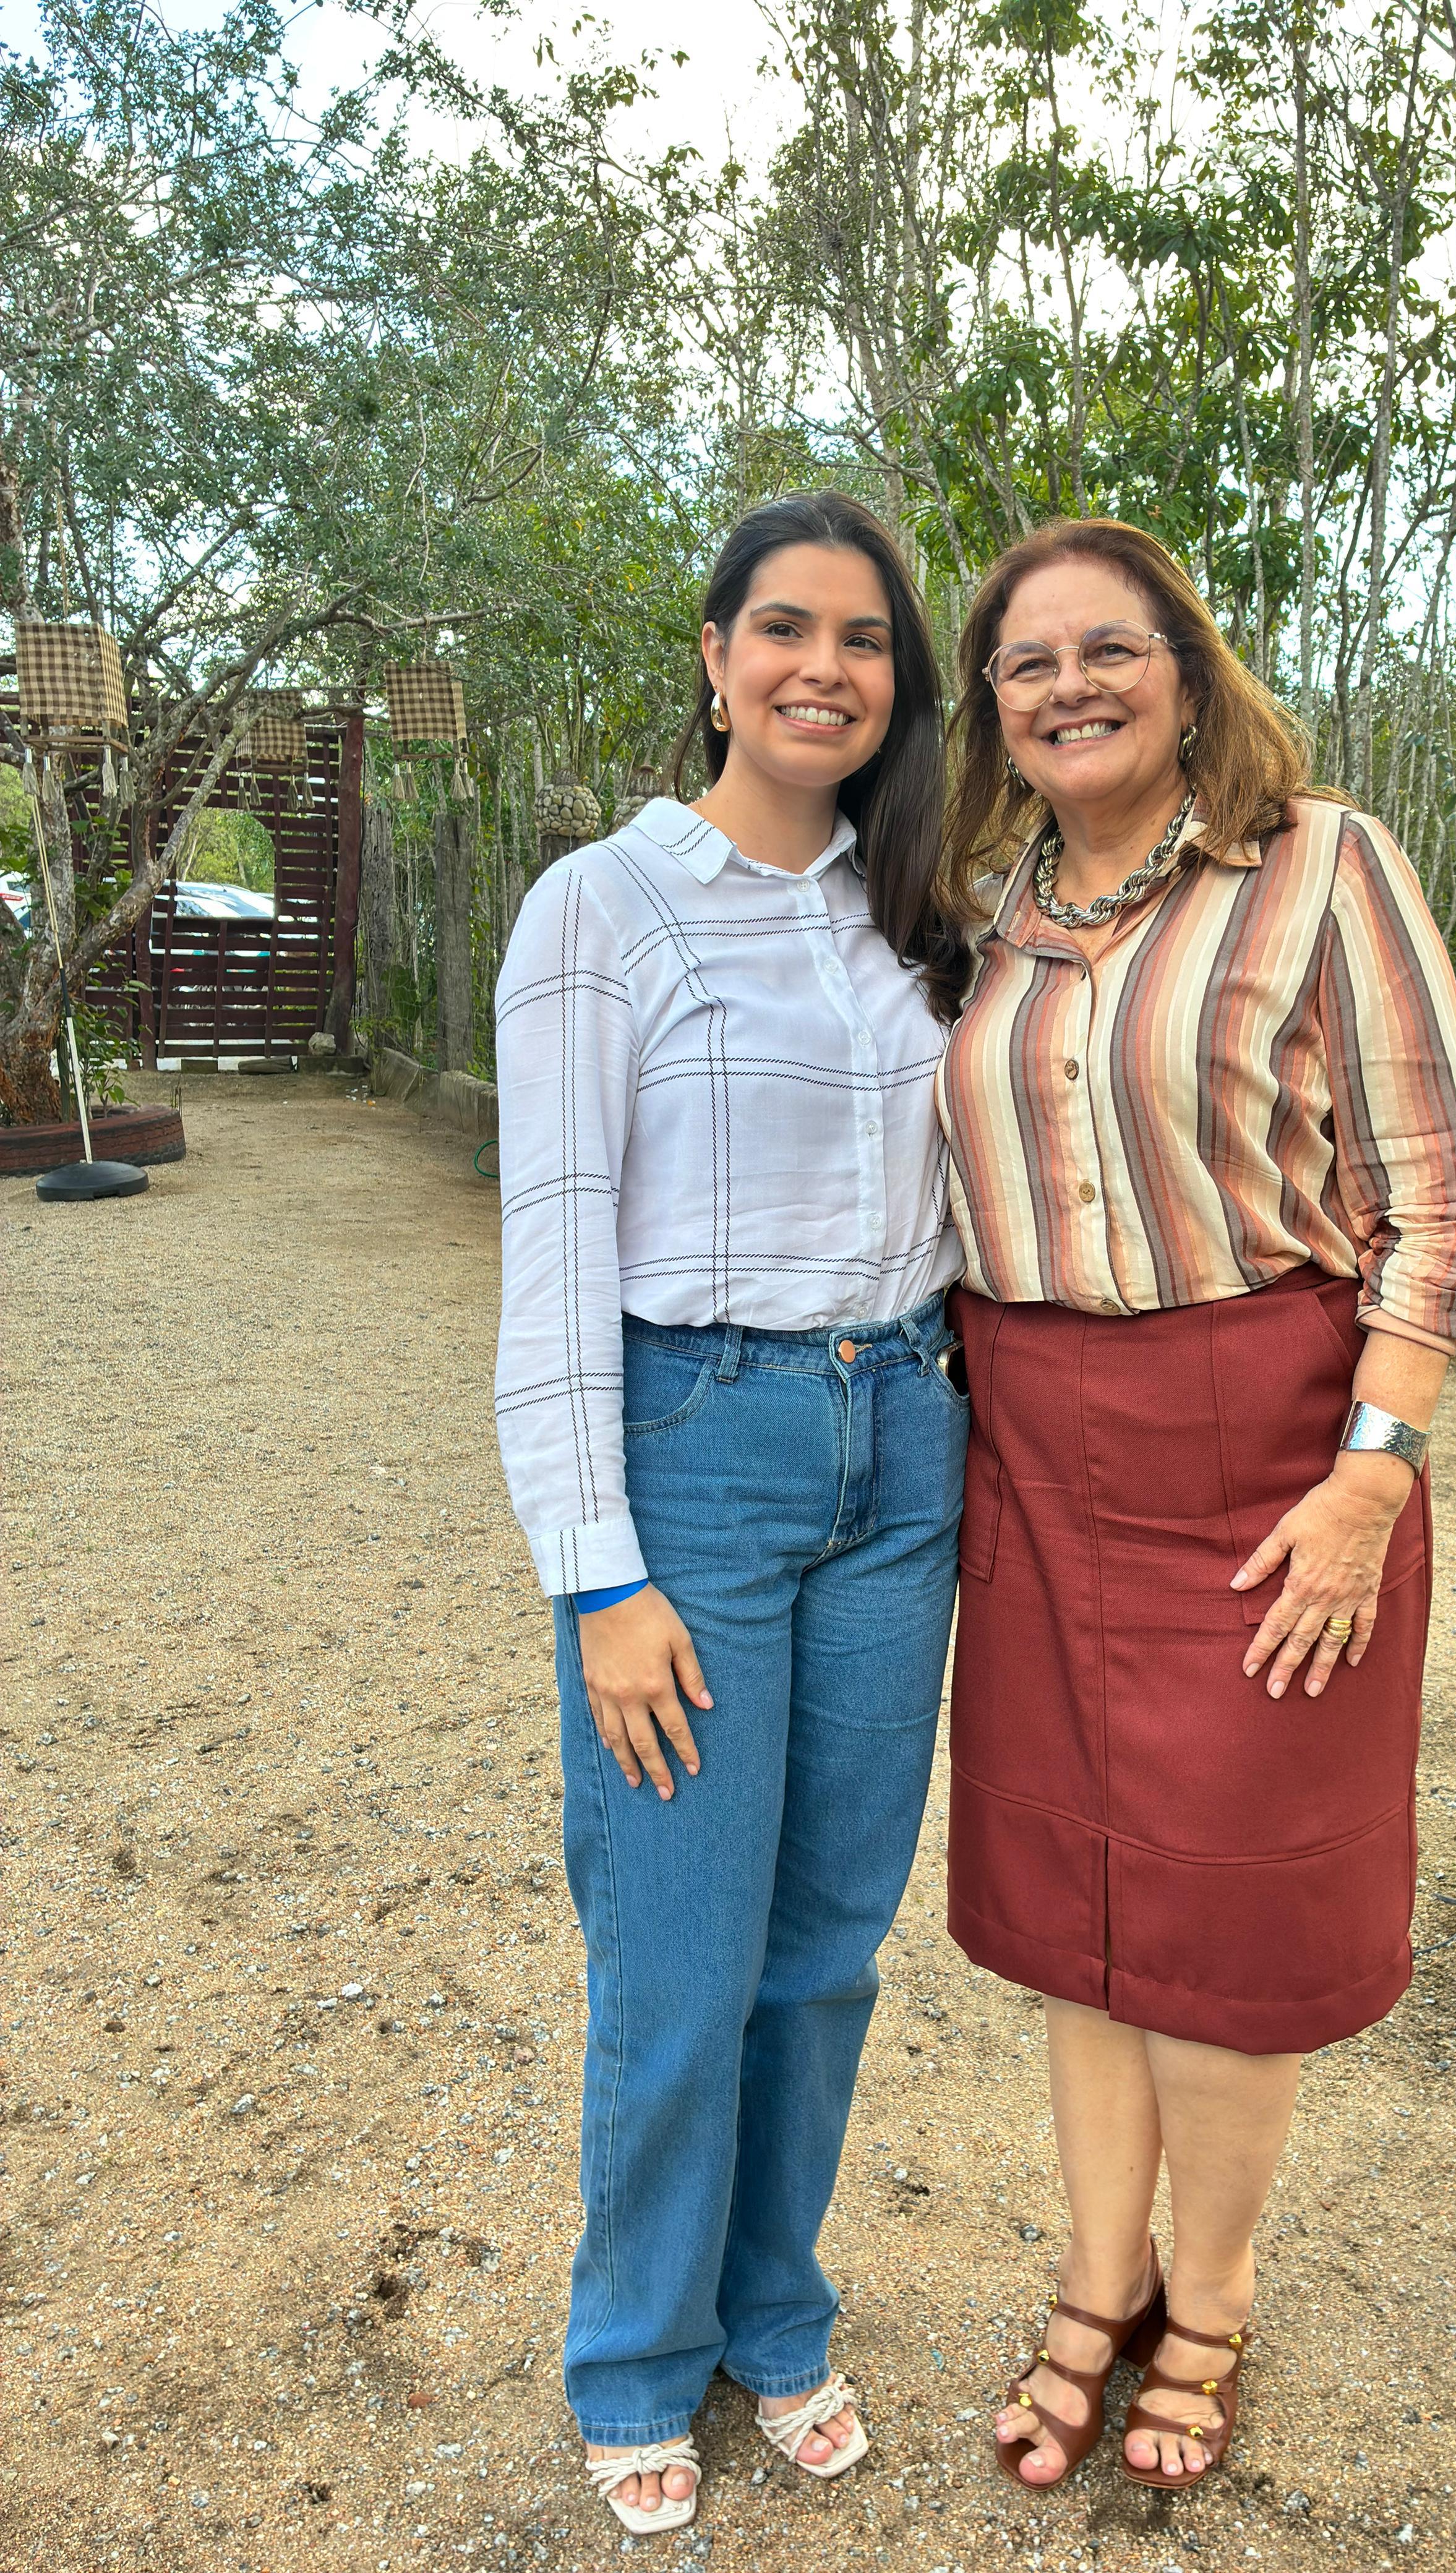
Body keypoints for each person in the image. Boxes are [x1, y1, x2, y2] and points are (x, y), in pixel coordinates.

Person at [934, 518, 1456, 2494]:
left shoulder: (1322, 862)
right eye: (1027, 662)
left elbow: (1437, 1203)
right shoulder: (980, 911)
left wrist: (1371, 1479)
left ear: (1188, 671)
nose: (1068, 686)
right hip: (1036, 1450)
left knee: (1228, 1923)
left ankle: (1216, 2296)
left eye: (1110, 648)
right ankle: (1097, 2284)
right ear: (993, 708)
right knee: (1079, 1910)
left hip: (1270, 1454)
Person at [492, 490, 970, 2538]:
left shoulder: (919, 912)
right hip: (701, 1446)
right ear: (713, 656)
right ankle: (633, 2351)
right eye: (785, 627)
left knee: (828, 1951)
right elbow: (553, 1252)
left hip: (908, 1449)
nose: (823, 669)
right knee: (680, 1951)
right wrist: (597, 1573)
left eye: (865, 640)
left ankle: (772, 2315)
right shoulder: (602, 906)